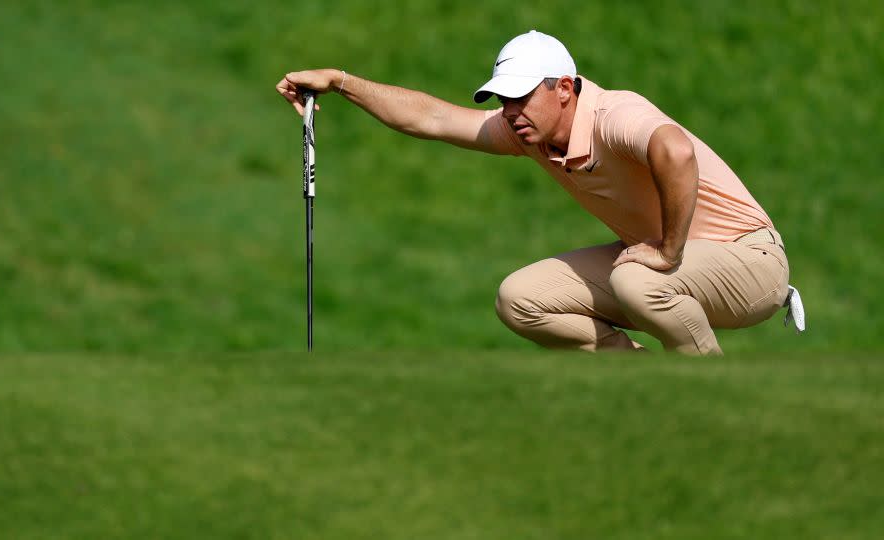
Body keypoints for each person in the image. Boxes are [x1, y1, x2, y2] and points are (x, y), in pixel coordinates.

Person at [276, 30, 803, 355]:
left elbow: (676, 151)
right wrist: (342, 82)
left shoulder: (614, 114)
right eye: (503, 100)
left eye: (521, 97)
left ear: (565, 89)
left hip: (751, 261)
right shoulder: (528, 133)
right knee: (522, 300)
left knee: (637, 278)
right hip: (668, 270)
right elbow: (432, 118)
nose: (510, 111)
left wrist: (668, 250)